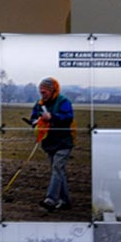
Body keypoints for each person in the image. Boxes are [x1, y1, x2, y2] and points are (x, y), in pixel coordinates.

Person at [27, 77, 74, 211]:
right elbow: (33, 117)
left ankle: (51, 200)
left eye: (44, 92)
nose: (42, 95)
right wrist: (35, 122)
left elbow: (68, 118)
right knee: (59, 172)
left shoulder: (64, 102)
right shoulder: (39, 104)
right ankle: (65, 202)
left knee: (57, 169)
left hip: (63, 142)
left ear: (53, 91)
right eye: (40, 92)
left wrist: (52, 117)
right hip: (49, 143)